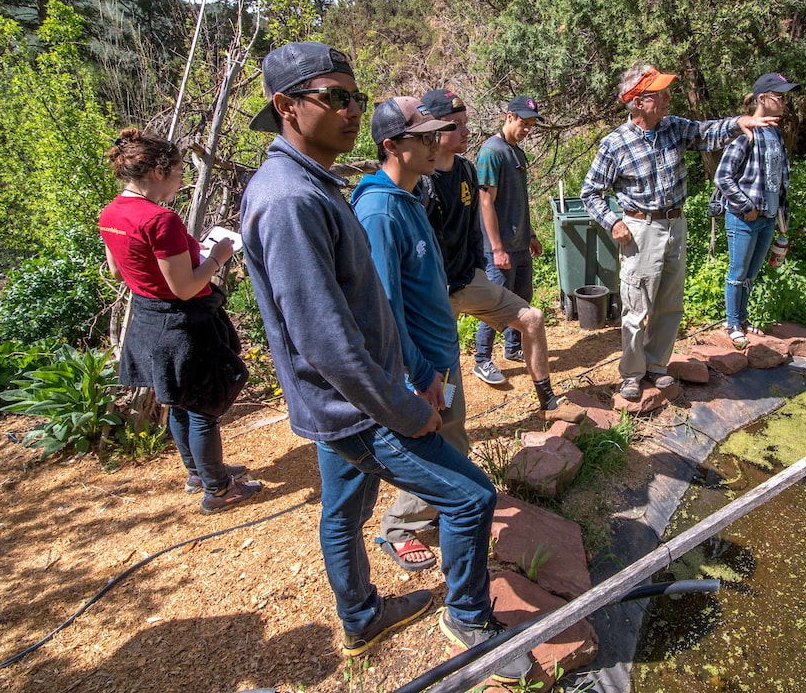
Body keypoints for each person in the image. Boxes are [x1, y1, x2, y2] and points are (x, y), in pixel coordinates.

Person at [239, 42, 532, 681]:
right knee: (471, 496)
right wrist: (405, 403)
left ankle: (362, 617)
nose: (352, 109)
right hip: (358, 407)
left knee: (343, 511)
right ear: (286, 107)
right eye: (335, 97)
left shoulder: (313, 185)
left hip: (343, 402)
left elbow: (359, 308)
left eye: (355, 95)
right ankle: (468, 617)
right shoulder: (290, 199)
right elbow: (325, 339)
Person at [580, 63, 779, 402]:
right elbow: (590, 192)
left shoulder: (672, 128)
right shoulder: (615, 144)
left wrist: (738, 123)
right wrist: (613, 222)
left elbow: (705, 133)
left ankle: (657, 366)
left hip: (676, 224)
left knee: (669, 304)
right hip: (639, 229)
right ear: (640, 101)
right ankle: (631, 373)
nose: (669, 97)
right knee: (636, 306)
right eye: (661, 93)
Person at [98, 128, 260, 514]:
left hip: (149, 317)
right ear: (157, 171)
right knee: (204, 404)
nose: (182, 179)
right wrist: (217, 256)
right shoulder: (160, 220)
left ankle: (199, 472)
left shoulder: (111, 213)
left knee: (180, 401)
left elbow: (119, 273)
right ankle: (218, 490)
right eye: (177, 171)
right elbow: (185, 287)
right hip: (184, 323)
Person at [350, 96, 465, 572]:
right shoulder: (379, 211)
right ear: (393, 145)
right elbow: (385, 307)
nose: (438, 141)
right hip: (423, 368)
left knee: (454, 440)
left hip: (440, 359)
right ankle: (401, 525)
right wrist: (419, 373)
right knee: (435, 450)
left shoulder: (410, 196)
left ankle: (440, 510)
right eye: (425, 136)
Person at [419, 88, 560, 412]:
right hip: (434, 293)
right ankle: (440, 419)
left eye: (465, 123)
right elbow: (484, 207)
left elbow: (470, 228)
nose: (466, 131)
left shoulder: (467, 169)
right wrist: (496, 250)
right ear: (431, 130)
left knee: (532, 318)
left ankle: (548, 403)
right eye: (455, 125)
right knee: (443, 367)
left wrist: (479, 267)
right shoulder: (420, 181)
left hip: (468, 280)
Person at [715, 72, 797, 348]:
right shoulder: (745, 132)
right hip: (745, 218)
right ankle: (731, 323)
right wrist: (746, 207)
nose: (785, 102)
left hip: (769, 216)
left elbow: (779, 178)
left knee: (751, 273)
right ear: (763, 98)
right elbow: (723, 176)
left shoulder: (775, 132)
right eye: (780, 96)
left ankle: (743, 319)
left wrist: (780, 214)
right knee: (738, 272)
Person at [472, 96, 544, 386]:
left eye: (531, 125)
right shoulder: (492, 151)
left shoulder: (517, 153)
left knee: (521, 300)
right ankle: (482, 360)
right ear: (509, 116)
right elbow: (485, 202)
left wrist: (531, 235)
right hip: (498, 248)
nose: (527, 129)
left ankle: (513, 348)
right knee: (494, 305)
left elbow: (520, 202)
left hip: (520, 244)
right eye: (524, 123)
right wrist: (497, 248)